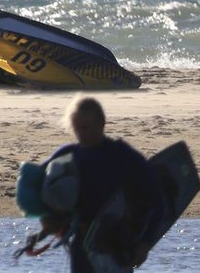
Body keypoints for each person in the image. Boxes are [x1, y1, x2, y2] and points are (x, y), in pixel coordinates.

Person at [31, 95, 167, 272]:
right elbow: (41, 188)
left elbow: (158, 203)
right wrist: (44, 227)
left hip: (118, 246)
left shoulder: (123, 156)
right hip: (82, 246)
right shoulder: (68, 155)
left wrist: (145, 244)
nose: (82, 134)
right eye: (77, 128)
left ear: (102, 123)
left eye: (86, 128)